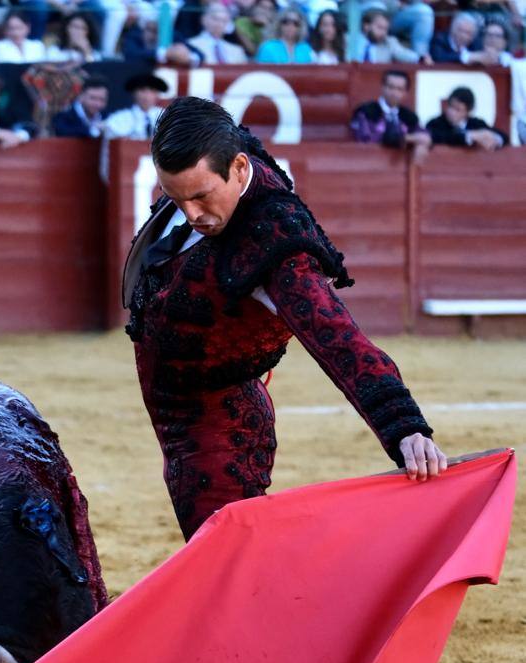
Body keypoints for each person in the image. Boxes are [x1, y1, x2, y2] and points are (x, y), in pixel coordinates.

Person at [122, 97, 446, 541]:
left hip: (218, 431)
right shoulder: (226, 152)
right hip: (193, 419)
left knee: (227, 562)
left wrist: (402, 424)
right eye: (176, 198)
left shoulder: (276, 250)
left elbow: (337, 336)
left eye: (200, 196)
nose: (191, 214)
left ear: (239, 170)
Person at [350, 69, 432, 163]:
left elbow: (423, 134)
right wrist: (407, 138)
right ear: (382, 87)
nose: (394, 93)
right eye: (390, 87)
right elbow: (365, 138)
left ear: (405, 93)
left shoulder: (409, 116)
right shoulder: (366, 111)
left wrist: (422, 144)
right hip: (368, 163)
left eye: (399, 89)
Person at [426, 86, 509, 148]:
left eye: (457, 110)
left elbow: (504, 137)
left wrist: (494, 139)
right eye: (450, 106)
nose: (451, 112)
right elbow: (438, 136)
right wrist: (470, 136)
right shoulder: (435, 123)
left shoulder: (476, 123)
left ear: (467, 112)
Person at [103, 72, 168, 141]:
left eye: (152, 91)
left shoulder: (166, 116)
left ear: (157, 95)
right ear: (133, 93)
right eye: (142, 90)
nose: (147, 96)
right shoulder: (119, 118)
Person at [354, 8, 428, 63]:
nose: (383, 33)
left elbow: (405, 55)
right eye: (380, 27)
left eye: (386, 29)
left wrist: (421, 58)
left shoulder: (389, 42)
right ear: (366, 26)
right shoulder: (349, 41)